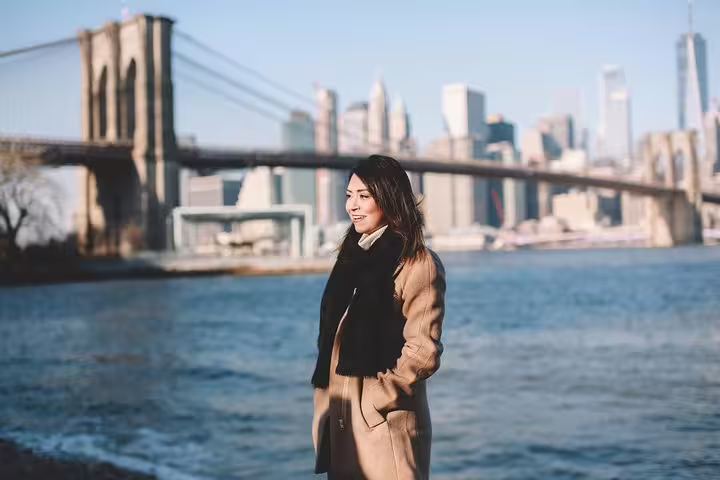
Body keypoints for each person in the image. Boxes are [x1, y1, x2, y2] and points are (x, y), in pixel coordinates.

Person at [311, 154, 446, 479]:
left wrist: (372, 401)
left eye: (364, 196)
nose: (352, 206)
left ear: (388, 198)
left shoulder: (417, 263)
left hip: (383, 426)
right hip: (343, 421)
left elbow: (423, 352)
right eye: (348, 196)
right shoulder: (352, 258)